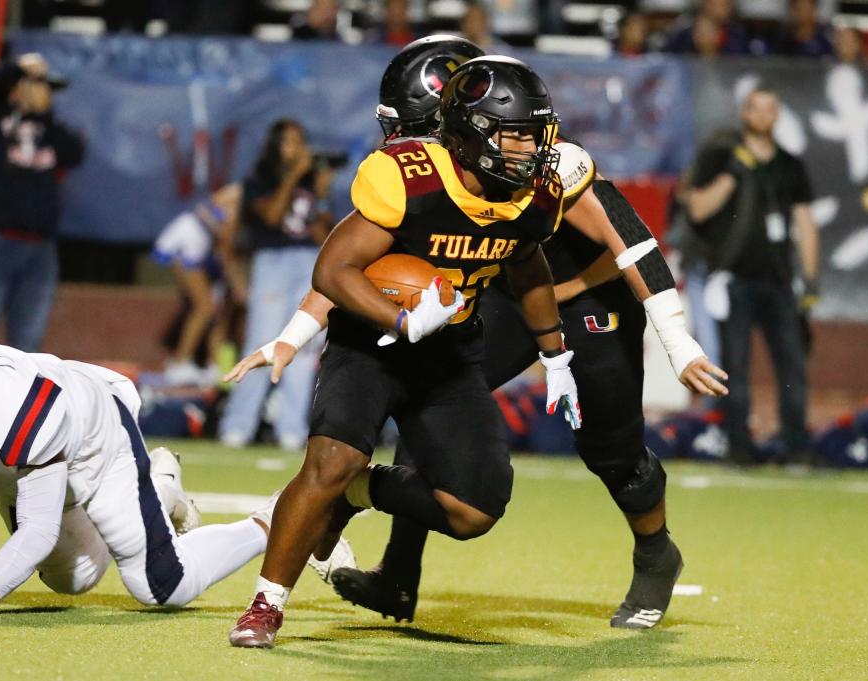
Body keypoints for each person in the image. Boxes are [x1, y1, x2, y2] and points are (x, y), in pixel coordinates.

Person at [228, 37, 727, 632]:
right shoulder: (421, 174)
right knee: (427, 394)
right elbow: (368, 262)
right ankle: (398, 576)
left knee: (611, 450)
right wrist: (293, 334)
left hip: (590, 299)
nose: (407, 143)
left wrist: (677, 342)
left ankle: (654, 552)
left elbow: (634, 245)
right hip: (505, 298)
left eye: (415, 128)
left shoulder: (544, 163)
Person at [227, 56, 582, 649]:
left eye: (535, 132)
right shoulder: (409, 175)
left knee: (475, 512)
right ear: (471, 135)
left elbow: (527, 264)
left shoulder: (536, 196)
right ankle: (266, 604)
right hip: (371, 345)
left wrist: (555, 355)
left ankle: (357, 494)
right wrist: (399, 318)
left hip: (451, 353)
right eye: (515, 133)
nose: (532, 148)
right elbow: (333, 268)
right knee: (330, 462)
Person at [0, 343, 275, 607]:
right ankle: (153, 504)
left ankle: (265, 522)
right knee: (75, 576)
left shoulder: (11, 401)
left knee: (163, 584)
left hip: (94, 445)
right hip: (27, 460)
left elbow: (38, 528)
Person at [684, 89, 820, 465]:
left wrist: (810, 280)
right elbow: (697, 208)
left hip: (779, 280)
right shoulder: (720, 156)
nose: (762, 116)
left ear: (778, 115)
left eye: (770, 108)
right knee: (734, 368)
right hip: (733, 279)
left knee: (792, 366)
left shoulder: (790, 164)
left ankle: (796, 448)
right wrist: (733, 173)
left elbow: (805, 223)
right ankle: (739, 448)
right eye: (756, 108)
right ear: (744, 112)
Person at [217, 120, 334, 451]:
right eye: (288, 142)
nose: (296, 149)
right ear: (275, 146)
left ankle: (292, 429)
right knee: (262, 340)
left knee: (304, 344)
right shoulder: (259, 180)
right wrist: (295, 177)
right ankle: (237, 426)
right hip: (273, 261)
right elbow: (271, 217)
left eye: (300, 142)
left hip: (309, 260)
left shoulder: (314, 183)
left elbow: (323, 234)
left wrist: (321, 194)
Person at [0, 52, 84, 352]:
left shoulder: (52, 128)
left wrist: (44, 114)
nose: (40, 90)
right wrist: (18, 69)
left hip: (40, 249)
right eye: (33, 84)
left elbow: (75, 154)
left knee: (28, 345)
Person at [152, 183, 247, 386]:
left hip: (203, 246)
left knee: (217, 310)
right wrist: (238, 283)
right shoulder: (243, 196)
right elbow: (226, 248)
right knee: (204, 307)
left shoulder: (241, 197)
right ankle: (179, 364)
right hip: (189, 240)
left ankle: (215, 367)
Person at [663, 0, 749, 56]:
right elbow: (669, 59)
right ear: (706, 4)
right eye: (720, 4)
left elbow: (740, 65)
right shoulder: (685, 34)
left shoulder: (736, 35)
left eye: (728, 4)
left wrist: (710, 50)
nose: (726, 9)